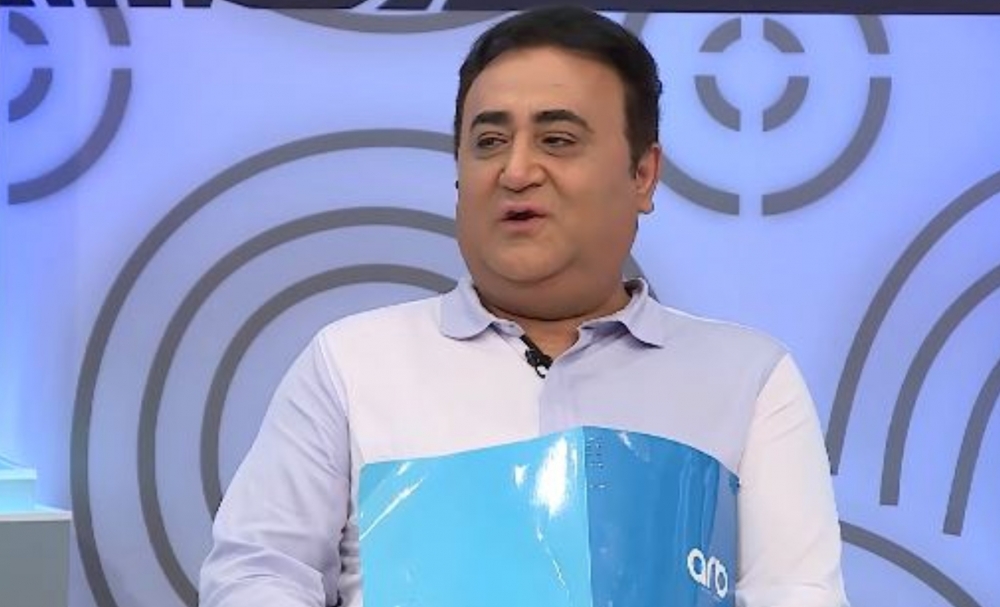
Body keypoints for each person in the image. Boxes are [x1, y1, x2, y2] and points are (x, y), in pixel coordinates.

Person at [199, 6, 849, 607]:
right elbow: (257, 573)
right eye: (488, 142)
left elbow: (797, 594)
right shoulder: (353, 363)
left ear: (642, 174)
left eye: (557, 140)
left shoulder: (747, 378)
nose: (515, 171)